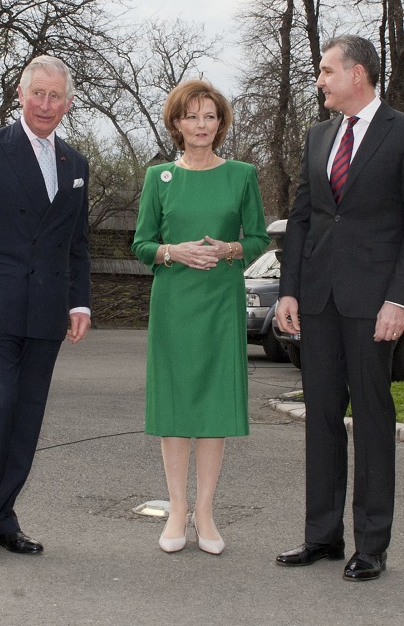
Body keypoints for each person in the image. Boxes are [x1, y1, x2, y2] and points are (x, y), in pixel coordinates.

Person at [274, 35, 404, 581]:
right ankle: (321, 535)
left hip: (374, 306)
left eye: (326, 70)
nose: (319, 79)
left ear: (357, 75)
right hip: (318, 301)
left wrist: (400, 300)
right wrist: (289, 290)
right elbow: (302, 219)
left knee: (371, 418)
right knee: (320, 417)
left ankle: (371, 544)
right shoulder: (319, 135)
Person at [0, 55, 91, 562]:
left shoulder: (75, 164)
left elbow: (76, 243)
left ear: (68, 104)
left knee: (26, 418)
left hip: (47, 312)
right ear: (20, 96)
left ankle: (4, 517)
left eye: (56, 97)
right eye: (38, 94)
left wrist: (80, 302)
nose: (46, 105)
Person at [131, 79, 269, 556]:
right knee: (175, 407)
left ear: (220, 123)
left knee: (213, 408)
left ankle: (206, 513)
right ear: (176, 124)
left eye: (209, 116)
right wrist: (173, 251)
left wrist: (232, 248)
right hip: (173, 304)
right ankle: (175, 509)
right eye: (191, 116)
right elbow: (141, 244)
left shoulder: (242, 175)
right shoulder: (158, 179)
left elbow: (258, 239)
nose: (201, 125)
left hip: (220, 303)